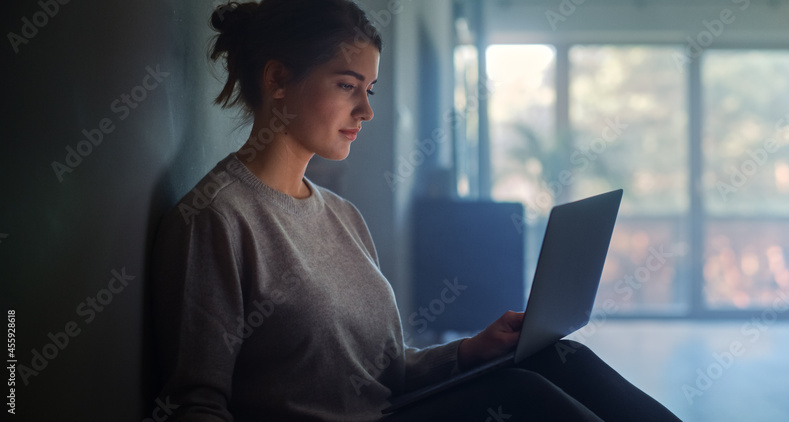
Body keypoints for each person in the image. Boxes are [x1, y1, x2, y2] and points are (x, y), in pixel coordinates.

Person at [150, 1, 683, 421]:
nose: (367, 110)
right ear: (277, 80)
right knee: (523, 398)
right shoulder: (217, 218)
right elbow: (195, 403)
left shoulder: (341, 216)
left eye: (370, 89)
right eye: (347, 86)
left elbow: (386, 372)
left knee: (559, 358)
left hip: (392, 410)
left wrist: (471, 350)